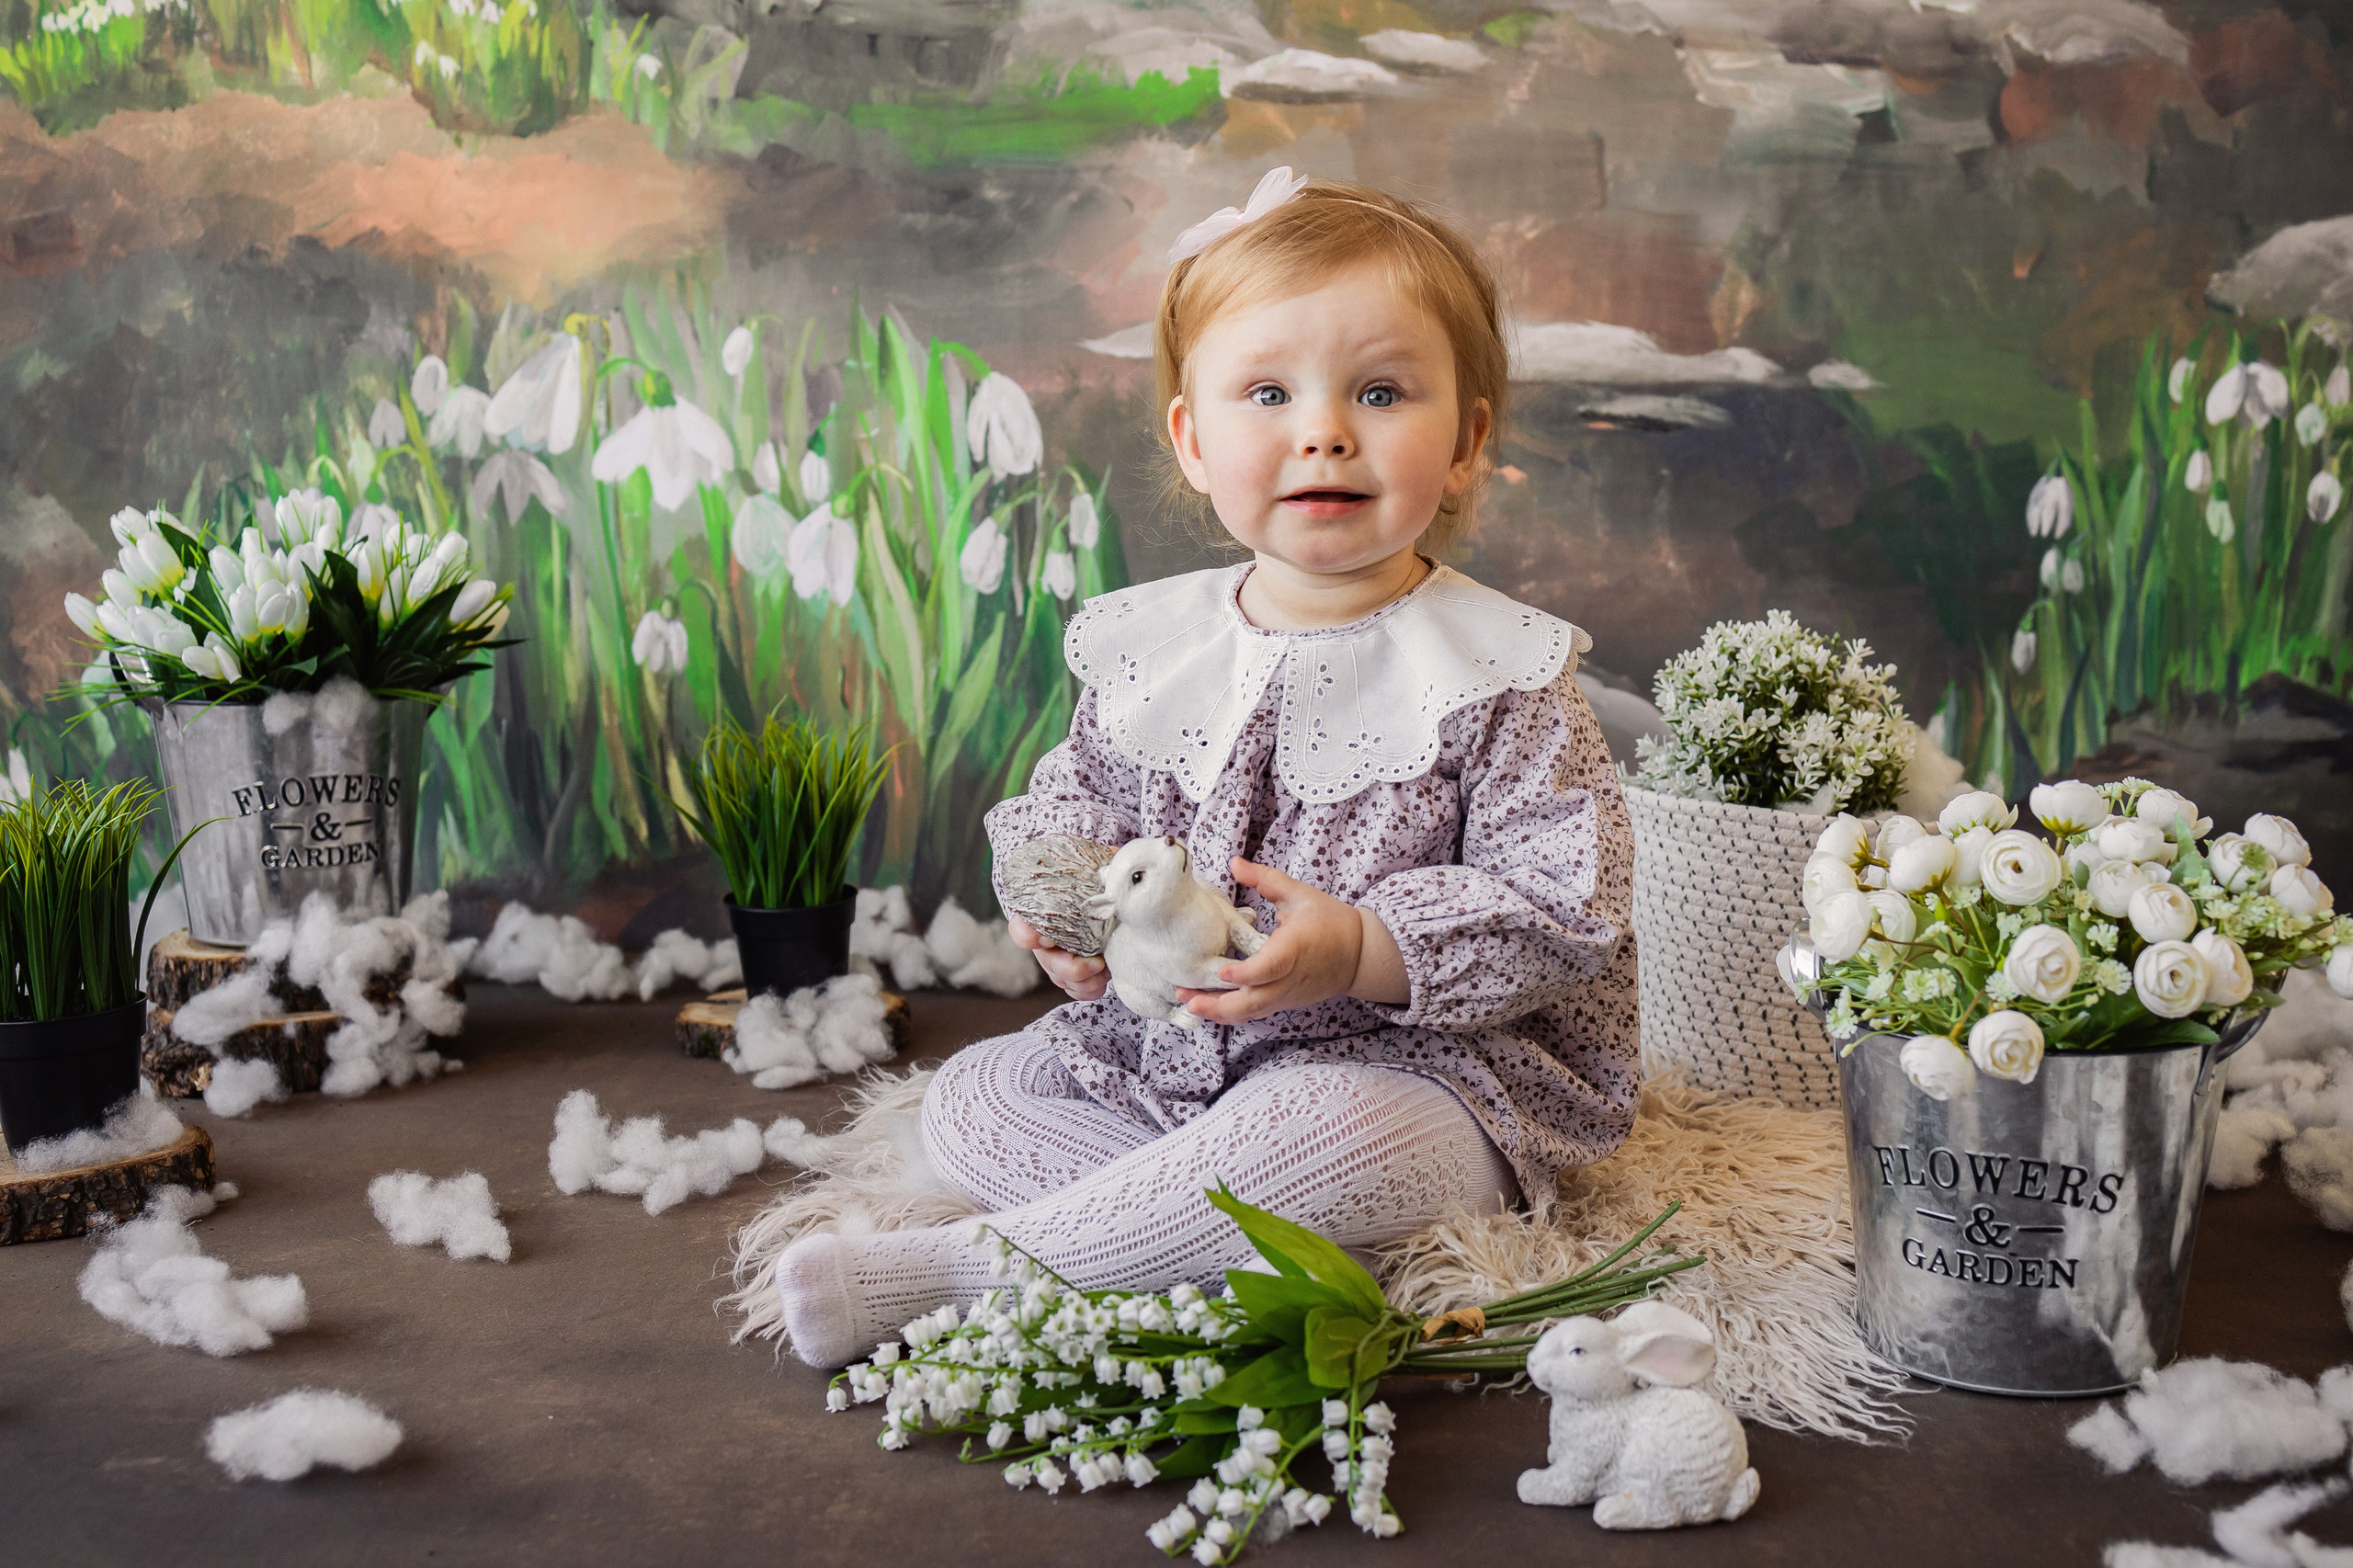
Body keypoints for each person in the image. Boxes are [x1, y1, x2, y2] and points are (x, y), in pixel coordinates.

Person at [774, 170, 1639, 1369]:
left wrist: (1356, 948)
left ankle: (969, 1275)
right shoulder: (1156, 645)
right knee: (976, 1096)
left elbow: (1564, 905)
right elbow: (1074, 793)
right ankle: (1213, 1240)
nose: (1324, 428)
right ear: (1192, 436)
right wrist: (1062, 902)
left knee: (1319, 1130)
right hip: (1171, 1060)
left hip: (1419, 1070)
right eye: (1268, 392)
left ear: (1467, 441)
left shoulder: (1503, 672)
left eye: (1382, 392)